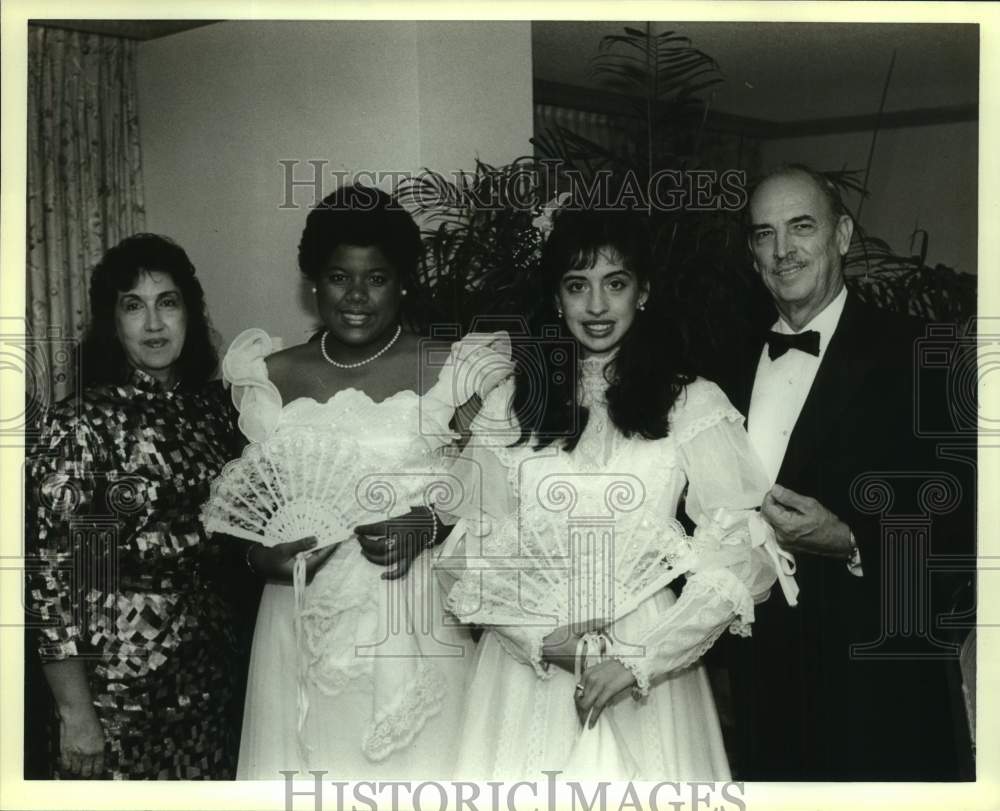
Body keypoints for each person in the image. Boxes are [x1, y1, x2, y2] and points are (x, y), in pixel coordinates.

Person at [435, 207, 788, 780]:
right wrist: (545, 641)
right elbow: (467, 554)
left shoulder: (693, 401)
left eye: (614, 284)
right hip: (530, 666)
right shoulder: (510, 404)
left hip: (648, 660)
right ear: (556, 298)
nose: (596, 306)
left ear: (643, 292)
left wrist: (641, 659)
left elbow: (741, 551)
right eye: (577, 286)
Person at [227, 184, 510, 779]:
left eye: (376, 278)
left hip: (414, 610)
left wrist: (432, 522)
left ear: (403, 282)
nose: (356, 296)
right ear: (313, 283)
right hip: (301, 616)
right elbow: (245, 508)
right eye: (338, 277)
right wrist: (259, 560)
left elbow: (499, 482)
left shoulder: (452, 366)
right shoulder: (268, 377)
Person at [718, 164, 968, 780]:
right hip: (762, 691)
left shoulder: (920, 353)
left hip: (881, 692)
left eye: (801, 227)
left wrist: (853, 540)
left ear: (843, 235)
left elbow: (967, 526)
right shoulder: (719, 364)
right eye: (764, 233)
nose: (783, 250)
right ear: (752, 253)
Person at [25, 234, 243, 779]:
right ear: (112, 321)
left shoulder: (213, 414)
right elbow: (58, 588)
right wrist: (77, 715)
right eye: (133, 305)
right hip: (119, 687)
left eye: (167, 302)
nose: (153, 324)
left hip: (211, 674)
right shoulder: (84, 426)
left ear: (189, 313)